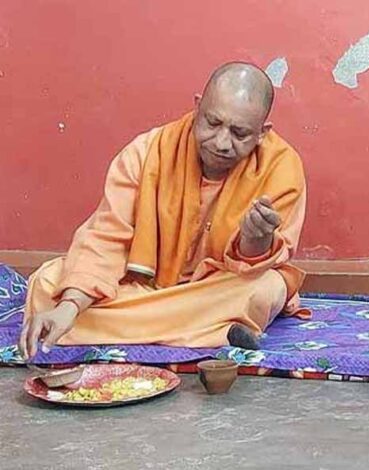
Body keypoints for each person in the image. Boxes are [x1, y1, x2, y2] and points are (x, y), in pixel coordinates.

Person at [21, 62, 307, 359]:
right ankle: (217, 333)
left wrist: (255, 241)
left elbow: (262, 262)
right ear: (197, 107)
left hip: (218, 288)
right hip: (148, 284)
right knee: (46, 283)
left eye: (239, 133)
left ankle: (114, 327)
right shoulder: (147, 152)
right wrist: (70, 306)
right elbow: (107, 237)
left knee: (265, 288)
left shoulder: (281, 167)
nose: (222, 143)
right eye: (212, 123)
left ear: (262, 133)